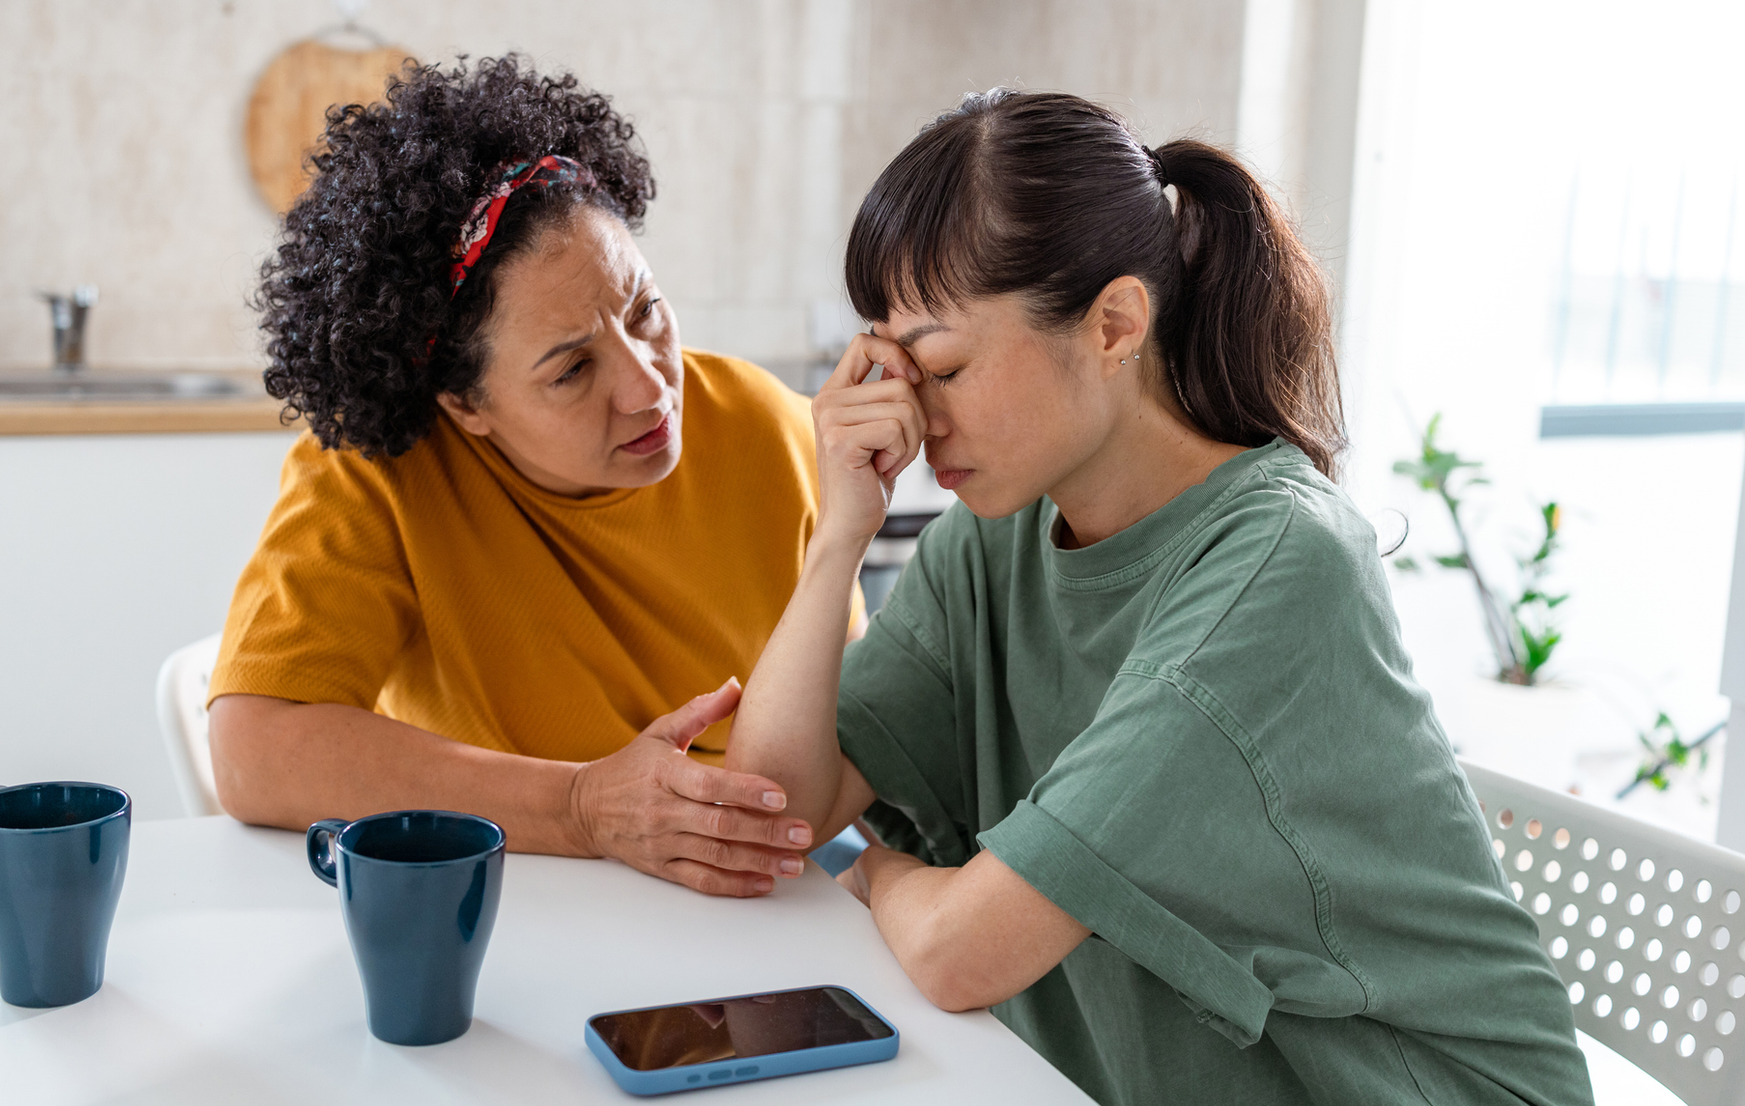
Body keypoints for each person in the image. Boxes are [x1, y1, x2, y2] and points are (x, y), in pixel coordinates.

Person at [722, 89, 1592, 1104]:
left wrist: (879, 872)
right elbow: (770, 815)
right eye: (888, 363)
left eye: (943, 364)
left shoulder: (1276, 563)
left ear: (1114, 324)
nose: (907, 411)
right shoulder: (994, 536)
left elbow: (961, 952)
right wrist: (840, 534)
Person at [208, 55, 860, 899]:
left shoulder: (773, 430)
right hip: (515, 901)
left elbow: (847, 742)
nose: (649, 386)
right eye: (571, 370)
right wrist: (583, 807)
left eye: (645, 312)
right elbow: (254, 748)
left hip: (757, 896)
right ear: (465, 405)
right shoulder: (383, 474)